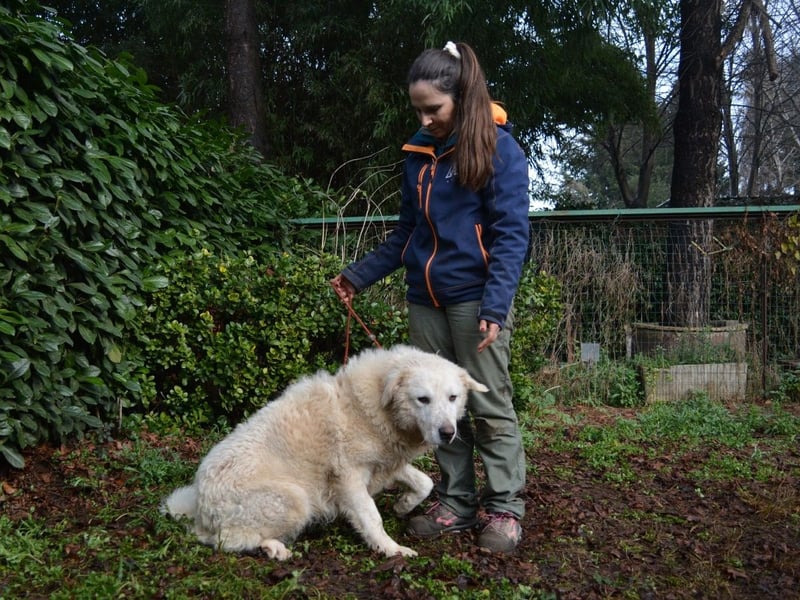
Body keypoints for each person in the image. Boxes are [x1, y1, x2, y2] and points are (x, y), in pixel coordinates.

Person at [330, 41, 530, 554]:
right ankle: (457, 502)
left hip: (475, 301)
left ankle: (505, 507)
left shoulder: (499, 149)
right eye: (418, 109)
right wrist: (359, 275)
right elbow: (405, 236)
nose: (424, 118)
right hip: (425, 301)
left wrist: (495, 304)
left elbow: (511, 233)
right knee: (437, 411)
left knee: (488, 406)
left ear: (460, 97)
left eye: (433, 108)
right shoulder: (417, 156)